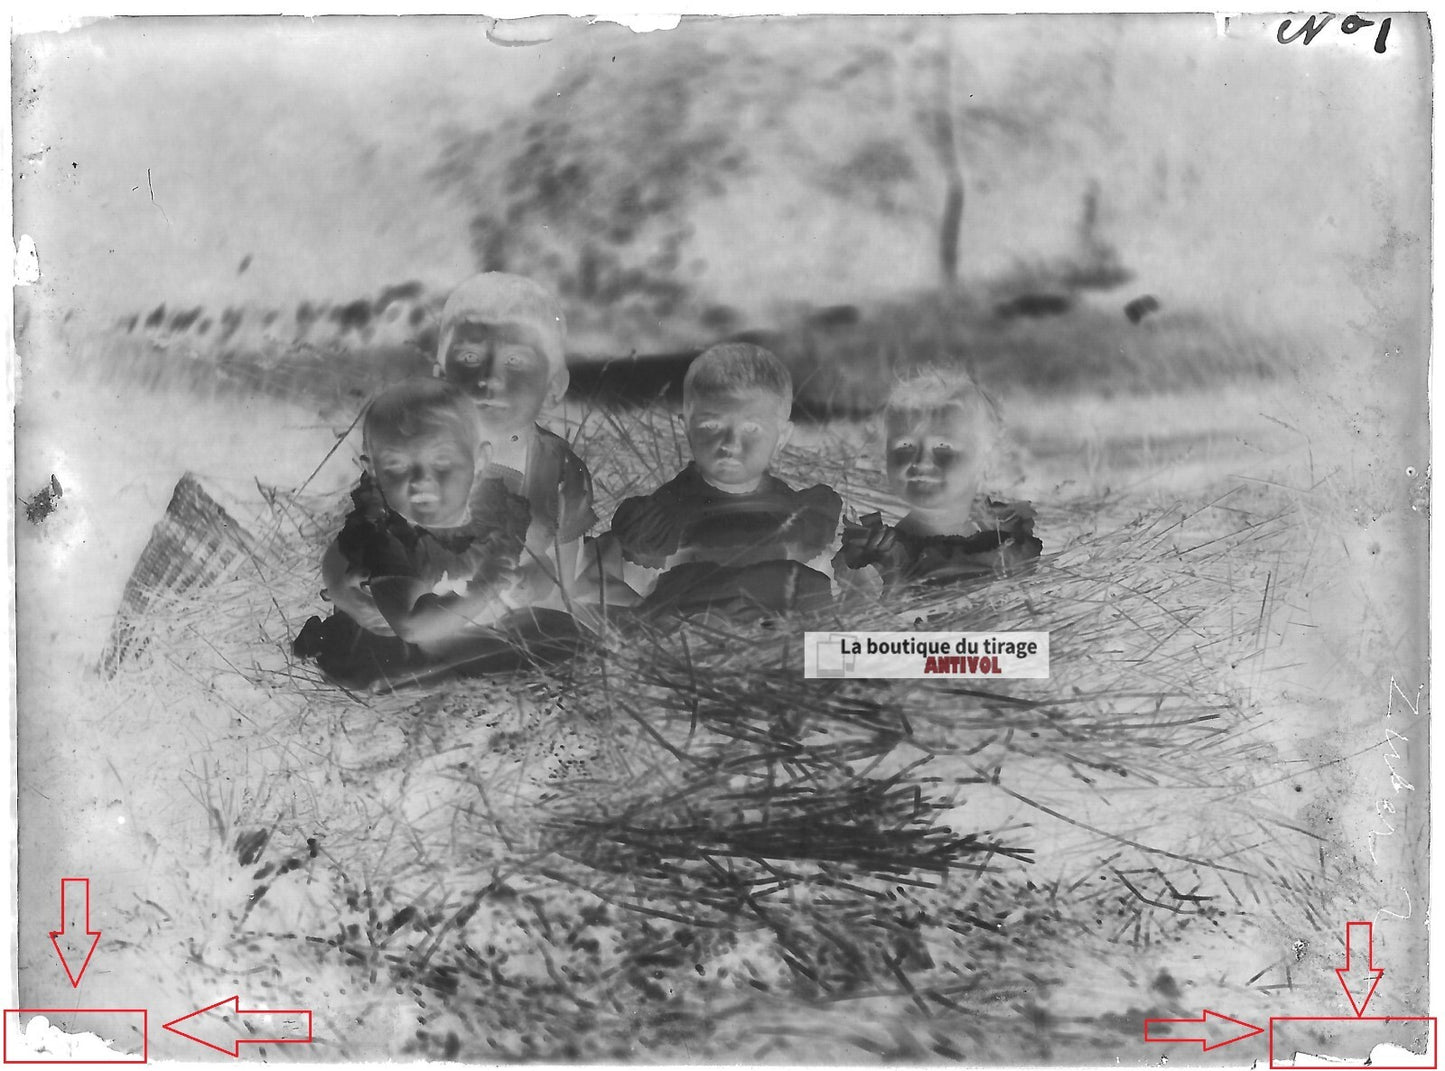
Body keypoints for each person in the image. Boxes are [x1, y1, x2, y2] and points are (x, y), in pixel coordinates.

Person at [293, 378, 570, 690]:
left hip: (475, 617)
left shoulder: (496, 506)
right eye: (397, 466)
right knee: (423, 657)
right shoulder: (389, 537)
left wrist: (529, 581)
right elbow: (412, 627)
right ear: (373, 470)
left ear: (479, 462)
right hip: (408, 640)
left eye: (442, 461)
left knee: (561, 628)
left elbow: (540, 560)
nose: (421, 480)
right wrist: (484, 588)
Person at [599, 342, 842, 619]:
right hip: (693, 624)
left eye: (751, 428)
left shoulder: (791, 508)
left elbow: (813, 577)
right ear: (687, 430)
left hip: (769, 626)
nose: (730, 443)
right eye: (711, 426)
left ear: (781, 438)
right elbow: (636, 584)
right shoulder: (669, 508)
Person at [434, 273, 597, 619]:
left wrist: (536, 581)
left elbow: (565, 569)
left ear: (554, 384)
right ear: (440, 376)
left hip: (522, 615)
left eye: (515, 360)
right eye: (468, 358)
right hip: (434, 610)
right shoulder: (420, 455)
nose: (490, 376)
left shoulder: (560, 468)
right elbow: (369, 546)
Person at [836, 367, 1042, 590]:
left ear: (986, 461)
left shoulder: (1003, 540)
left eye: (942, 446)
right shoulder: (882, 553)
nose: (921, 460)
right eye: (905, 445)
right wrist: (869, 577)